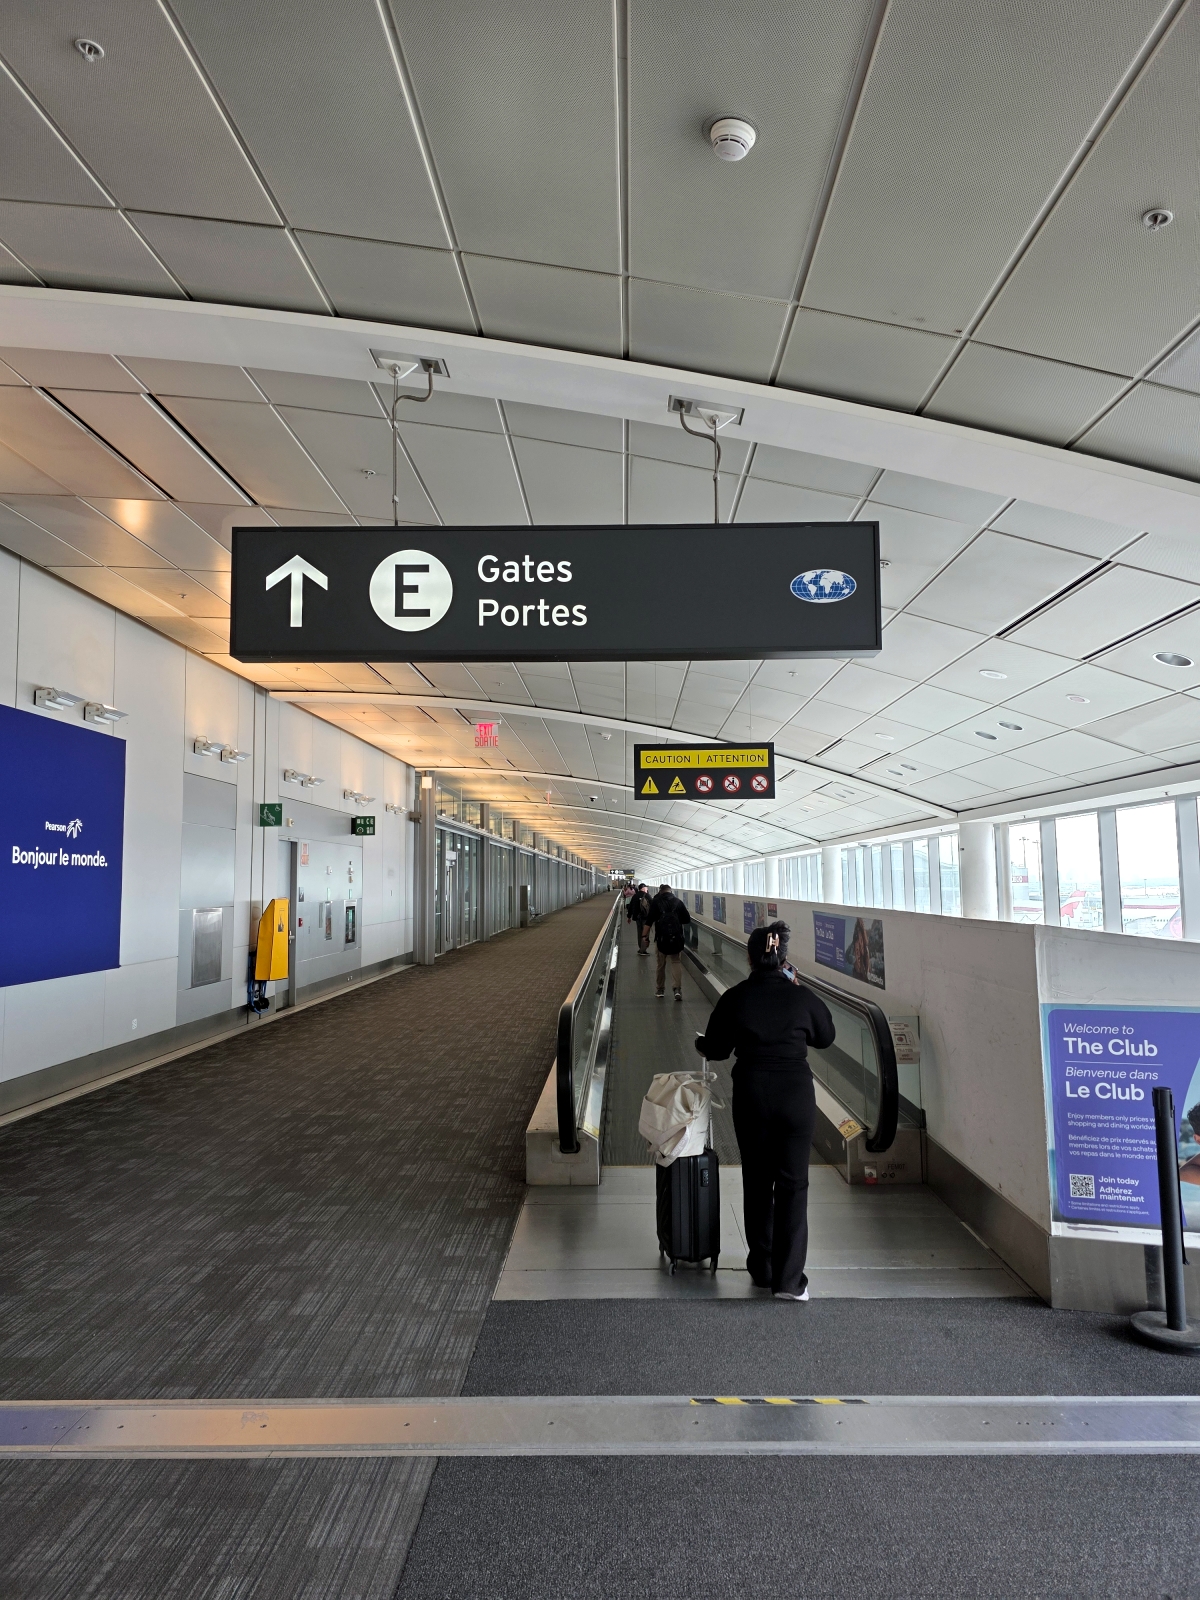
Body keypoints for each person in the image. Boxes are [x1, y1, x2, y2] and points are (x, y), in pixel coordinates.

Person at [694, 922, 834, 1301]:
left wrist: (700, 1044)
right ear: (785, 961)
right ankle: (789, 1283)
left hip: (752, 1096)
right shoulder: (800, 997)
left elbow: (718, 1048)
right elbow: (825, 1036)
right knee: (793, 1185)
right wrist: (796, 987)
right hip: (796, 1098)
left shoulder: (736, 997)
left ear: (750, 958)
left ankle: (762, 1268)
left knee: (757, 1180)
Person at [647, 882, 691, 999]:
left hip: (661, 938)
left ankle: (660, 990)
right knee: (676, 962)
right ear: (671, 891)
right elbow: (687, 919)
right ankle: (677, 989)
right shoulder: (678, 902)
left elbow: (649, 920)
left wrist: (644, 936)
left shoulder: (656, 902)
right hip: (676, 938)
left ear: (660, 891)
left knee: (661, 965)